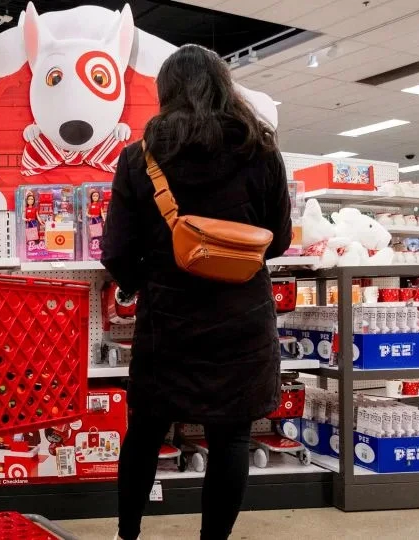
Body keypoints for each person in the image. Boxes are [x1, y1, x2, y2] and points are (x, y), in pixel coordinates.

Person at [101, 44, 292, 540]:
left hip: (169, 322)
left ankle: (128, 533)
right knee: (231, 437)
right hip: (243, 320)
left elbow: (117, 251)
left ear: (166, 94)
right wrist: (233, 262)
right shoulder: (261, 150)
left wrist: (154, 279)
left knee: (144, 431)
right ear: (223, 88)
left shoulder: (139, 158)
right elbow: (280, 238)